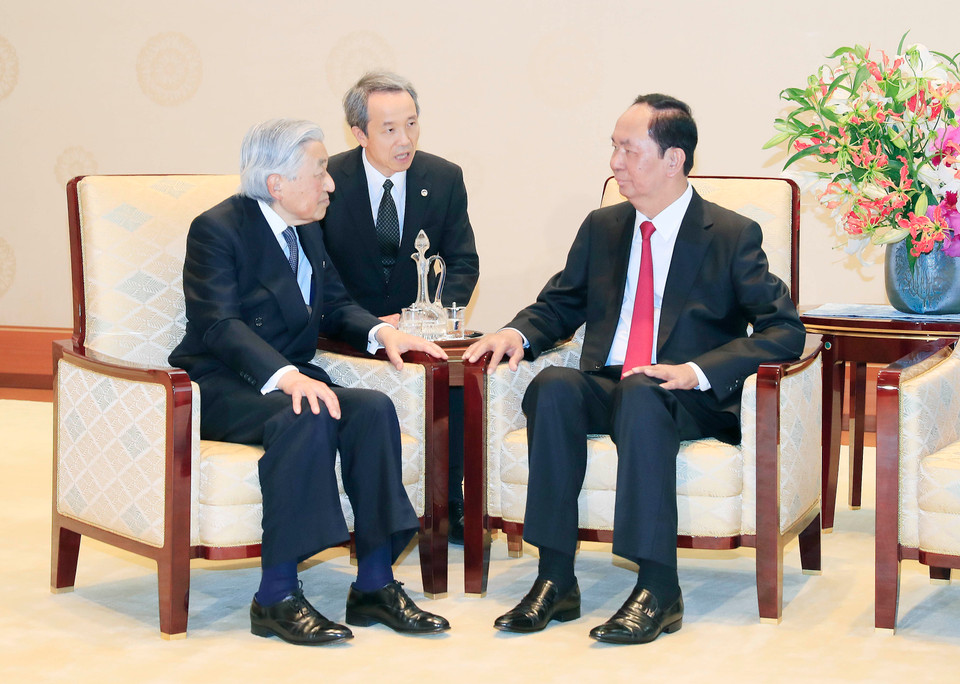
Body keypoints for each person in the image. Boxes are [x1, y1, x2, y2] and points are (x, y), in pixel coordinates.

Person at [463, 94, 806, 645]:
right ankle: (555, 578)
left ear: (674, 159)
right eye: (614, 148)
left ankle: (658, 586)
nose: (615, 162)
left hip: (685, 395)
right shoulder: (604, 227)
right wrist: (517, 332)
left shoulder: (731, 234)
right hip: (612, 380)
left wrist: (697, 369)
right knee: (552, 386)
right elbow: (560, 305)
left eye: (629, 149)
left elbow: (785, 330)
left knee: (645, 392)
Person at [169, 118, 452, 646]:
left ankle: (374, 583)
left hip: (290, 376)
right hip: (223, 381)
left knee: (371, 409)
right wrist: (286, 376)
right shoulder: (218, 229)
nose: (330, 183)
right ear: (276, 183)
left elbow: (337, 306)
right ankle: (275, 596)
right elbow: (219, 325)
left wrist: (381, 334)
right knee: (306, 412)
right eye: (320, 170)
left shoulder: (307, 229)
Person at [322, 71, 479, 544]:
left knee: (461, 375)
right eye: (390, 129)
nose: (405, 139)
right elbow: (320, 275)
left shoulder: (444, 177)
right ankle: (375, 515)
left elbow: (464, 263)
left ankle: (449, 500)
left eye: (412, 124)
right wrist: (371, 324)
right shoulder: (328, 181)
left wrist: (420, 319)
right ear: (359, 133)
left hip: (421, 330)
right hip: (347, 334)